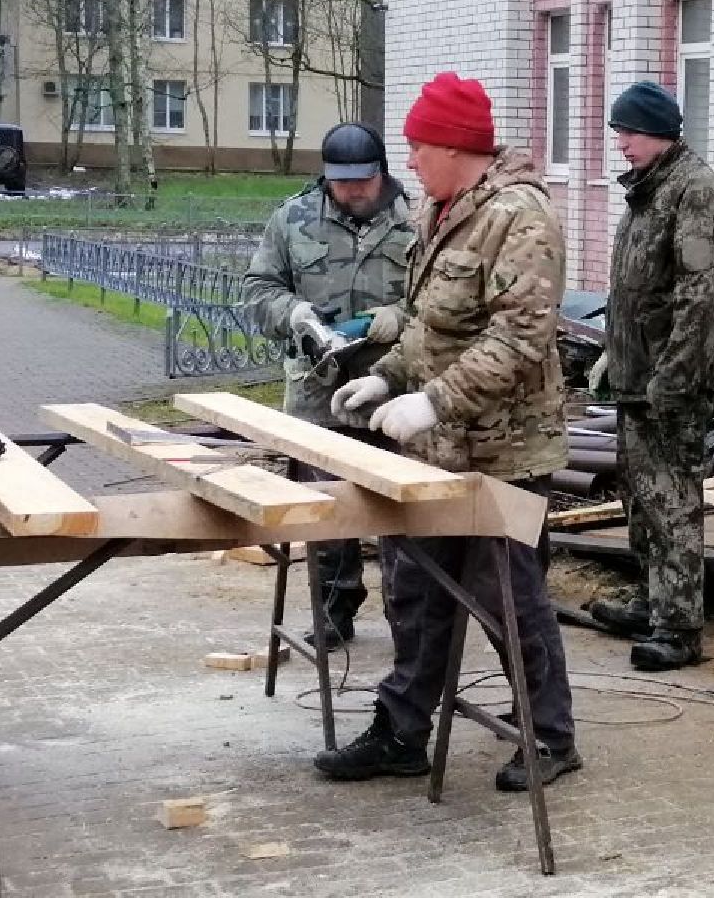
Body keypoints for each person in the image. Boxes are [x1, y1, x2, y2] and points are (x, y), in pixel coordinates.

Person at [313, 71, 580, 792]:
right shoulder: (443, 209)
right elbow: (431, 325)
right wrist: (390, 377)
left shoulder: (520, 219)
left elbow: (519, 339)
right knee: (416, 591)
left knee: (508, 600)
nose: (410, 164)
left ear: (453, 147)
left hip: (503, 450)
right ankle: (402, 730)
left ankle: (549, 738)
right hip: (439, 447)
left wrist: (433, 400)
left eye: (417, 148)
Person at [242, 121, 413, 650]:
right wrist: (294, 314)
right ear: (326, 177)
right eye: (343, 183)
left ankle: (408, 616)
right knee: (324, 514)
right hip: (319, 395)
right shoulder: (292, 218)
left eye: (363, 180)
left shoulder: (419, 221)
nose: (354, 191)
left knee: (401, 514)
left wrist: (393, 318)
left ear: (380, 173)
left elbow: (445, 305)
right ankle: (334, 609)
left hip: (392, 390)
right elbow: (256, 290)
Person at [586, 81, 714, 672]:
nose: (621, 143)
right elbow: (636, 290)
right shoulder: (650, 190)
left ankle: (678, 625)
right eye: (618, 132)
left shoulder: (694, 190)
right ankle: (651, 599)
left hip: (673, 380)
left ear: (661, 133)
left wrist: (671, 380)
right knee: (641, 495)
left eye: (629, 132)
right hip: (638, 372)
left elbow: (700, 299)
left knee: (672, 500)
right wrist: (612, 358)